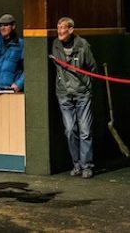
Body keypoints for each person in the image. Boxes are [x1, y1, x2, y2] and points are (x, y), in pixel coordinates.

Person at [52, 17, 96, 178]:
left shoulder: (83, 45)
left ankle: (87, 165)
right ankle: (76, 164)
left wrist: (86, 87)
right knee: (70, 130)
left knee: (85, 131)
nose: (59, 31)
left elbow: (92, 67)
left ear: (71, 29)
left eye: (62, 28)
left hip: (82, 93)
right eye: (58, 28)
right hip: (64, 93)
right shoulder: (56, 45)